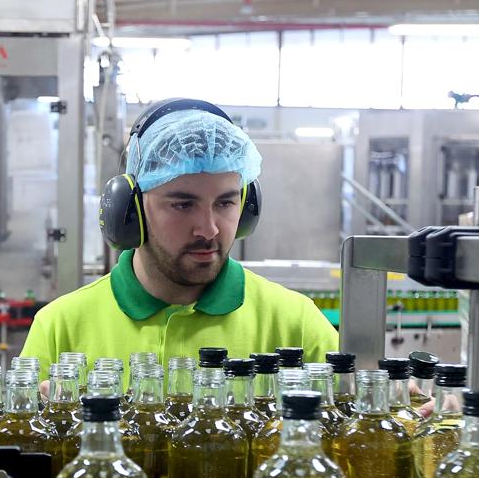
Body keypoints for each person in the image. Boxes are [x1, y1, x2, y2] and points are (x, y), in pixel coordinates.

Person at [20, 99, 338, 372]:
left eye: (225, 202)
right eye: (183, 204)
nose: (209, 229)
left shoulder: (296, 326)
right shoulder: (61, 329)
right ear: (131, 208)